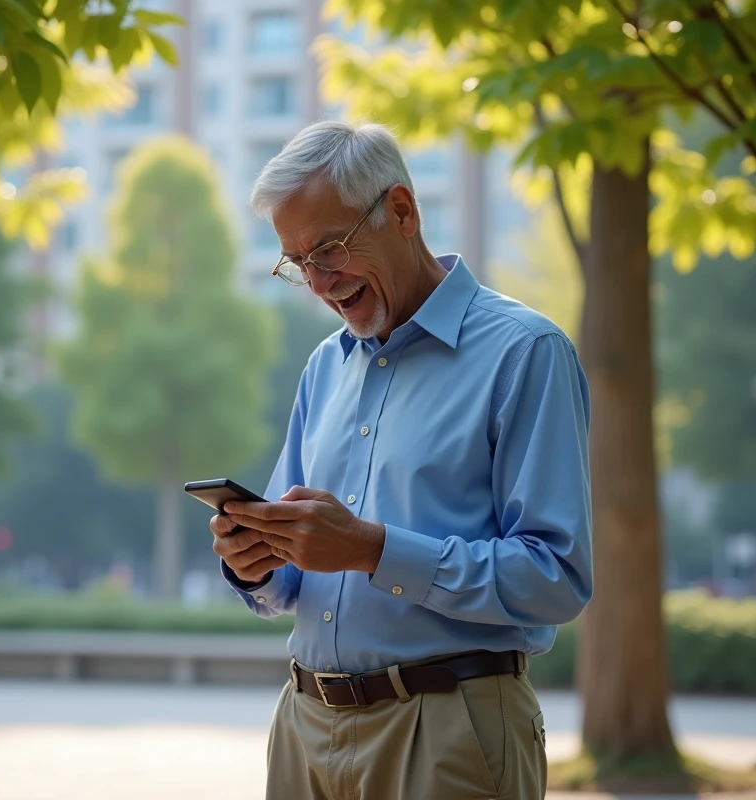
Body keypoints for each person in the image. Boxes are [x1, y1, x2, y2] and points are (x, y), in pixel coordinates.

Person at [212, 120, 593, 800]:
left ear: (402, 211)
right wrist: (255, 562)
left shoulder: (525, 352)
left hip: (447, 730)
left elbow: (555, 578)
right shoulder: (324, 367)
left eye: (328, 248)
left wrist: (371, 549)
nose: (320, 283)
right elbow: (291, 578)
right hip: (303, 729)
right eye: (298, 263)